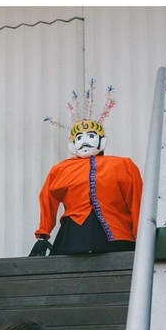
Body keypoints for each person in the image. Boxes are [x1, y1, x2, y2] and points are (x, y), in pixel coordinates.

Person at [29, 81, 142, 256]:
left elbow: (137, 202)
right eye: (79, 137)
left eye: (91, 135)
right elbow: (47, 201)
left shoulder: (123, 165)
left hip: (117, 233)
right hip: (73, 235)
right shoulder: (60, 170)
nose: (85, 141)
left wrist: (141, 235)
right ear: (72, 144)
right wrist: (43, 235)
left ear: (102, 141)